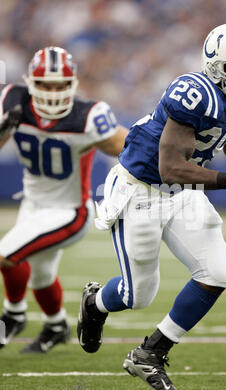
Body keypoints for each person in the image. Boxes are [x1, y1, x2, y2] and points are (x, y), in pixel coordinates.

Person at [77, 23, 226, 390]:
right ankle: (95, 302)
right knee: (136, 295)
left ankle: (151, 352)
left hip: (182, 192)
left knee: (217, 272)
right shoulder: (192, 94)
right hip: (141, 188)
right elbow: (171, 167)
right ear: (214, 64)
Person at [0, 46, 128, 353]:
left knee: (6, 254)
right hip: (32, 205)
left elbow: (128, 145)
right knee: (42, 277)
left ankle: (13, 315)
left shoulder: (88, 116)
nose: (53, 92)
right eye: (45, 84)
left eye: (60, 85)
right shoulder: (12, 102)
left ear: (73, 84)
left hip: (70, 211)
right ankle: (56, 325)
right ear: (31, 82)